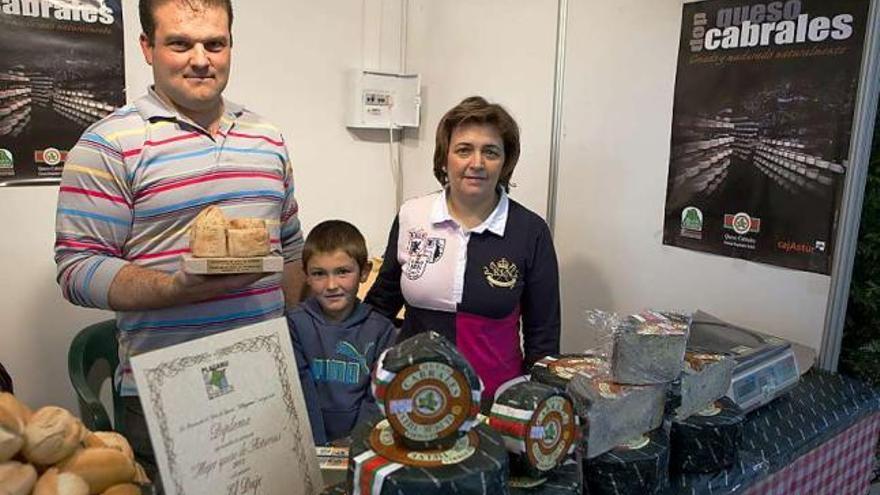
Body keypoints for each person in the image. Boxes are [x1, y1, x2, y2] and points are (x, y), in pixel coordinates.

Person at [54, 0, 304, 488]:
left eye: (215, 43)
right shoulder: (110, 144)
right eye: (180, 43)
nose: (200, 58)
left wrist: (286, 337)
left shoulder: (267, 138)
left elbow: (291, 247)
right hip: (166, 389)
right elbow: (76, 268)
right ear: (147, 47)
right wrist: (174, 289)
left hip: (264, 380)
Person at [366, 96, 561, 401]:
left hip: (494, 402)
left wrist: (530, 406)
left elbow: (543, 336)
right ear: (445, 158)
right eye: (463, 150)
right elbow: (381, 305)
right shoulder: (412, 215)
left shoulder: (530, 231)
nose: (477, 163)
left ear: (506, 162)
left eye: (491, 152)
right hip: (413, 398)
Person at [287, 220, 395, 444]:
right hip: (310, 444)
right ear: (306, 275)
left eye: (343, 272)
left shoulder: (381, 330)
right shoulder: (295, 325)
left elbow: (378, 395)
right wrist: (316, 445)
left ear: (364, 272)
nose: (332, 285)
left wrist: (356, 441)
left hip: (362, 444)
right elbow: (300, 391)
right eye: (319, 274)